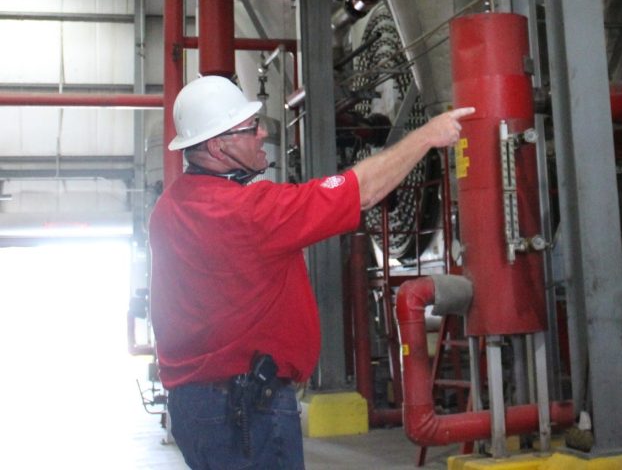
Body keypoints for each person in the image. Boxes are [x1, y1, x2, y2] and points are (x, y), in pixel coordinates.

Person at [149, 74, 474, 470]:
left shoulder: (169, 208)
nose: (263, 133)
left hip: (195, 407)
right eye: (251, 128)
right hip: (246, 410)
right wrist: (427, 135)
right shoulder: (251, 212)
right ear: (218, 146)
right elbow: (364, 189)